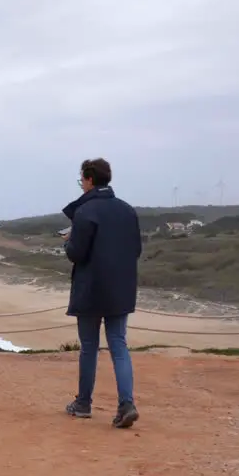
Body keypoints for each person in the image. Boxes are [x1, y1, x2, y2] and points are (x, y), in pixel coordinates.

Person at [61, 158, 143, 428]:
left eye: (81, 180)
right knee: (119, 344)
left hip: (91, 289)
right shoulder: (127, 211)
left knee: (89, 347)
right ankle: (126, 403)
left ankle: (83, 403)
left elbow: (77, 253)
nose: (81, 185)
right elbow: (136, 251)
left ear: (90, 179)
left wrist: (68, 241)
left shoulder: (85, 212)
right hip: (120, 289)